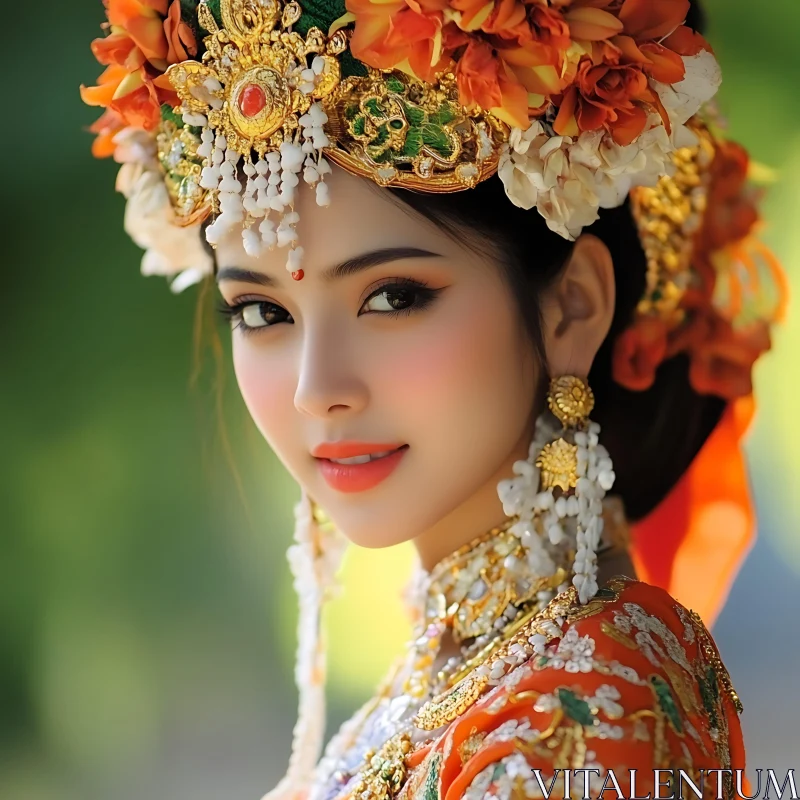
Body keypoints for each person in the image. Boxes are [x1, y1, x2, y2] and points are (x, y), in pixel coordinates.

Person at [80, 0, 788, 798]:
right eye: (263, 312)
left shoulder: (588, 705)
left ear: (572, 308)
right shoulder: (469, 670)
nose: (319, 391)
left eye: (392, 298)